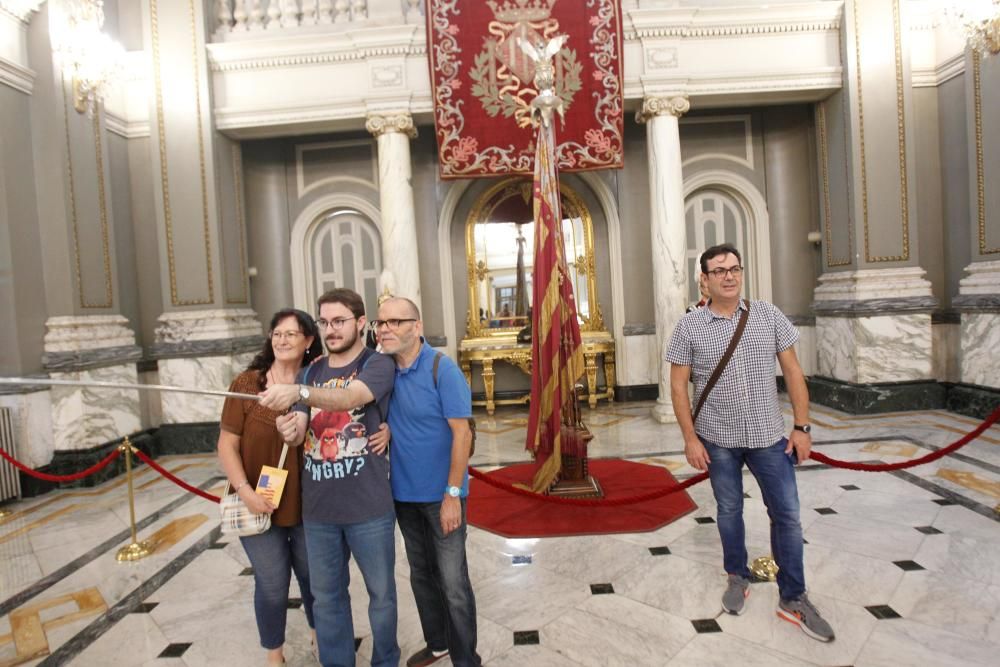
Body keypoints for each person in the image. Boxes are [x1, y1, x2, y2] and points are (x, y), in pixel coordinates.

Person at [665, 243, 835, 643]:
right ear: (704, 279)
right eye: (719, 270)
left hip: (767, 437)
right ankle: (736, 576)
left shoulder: (768, 315)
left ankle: (793, 597)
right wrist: (690, 438)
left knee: (788, 516)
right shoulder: (689, 326)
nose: (729, 276)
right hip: (718, 438)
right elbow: (677, 387)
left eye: (734, 268)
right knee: (729, 510)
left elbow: (793, 372)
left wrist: (803, 428)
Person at [259, 288, 399, 667]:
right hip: (319, 511)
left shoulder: (378, 364)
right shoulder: (311, 371)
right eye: (324, 322)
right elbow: (301, 426)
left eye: (339, 321)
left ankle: (385, 661)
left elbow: (352, 397)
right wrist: (289, 427)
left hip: (369, 506)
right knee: (327, 598)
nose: (331, 330)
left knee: (382, 595)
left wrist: (299, 390)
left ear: (360, 322)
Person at [375, 297, 481, 667]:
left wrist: (453, 494)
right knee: (422, 575)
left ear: (416, 327)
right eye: (381, 323)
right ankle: (438, 644)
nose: (385, 328)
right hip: (403, 495)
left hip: (442, 497)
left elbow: (462, 435)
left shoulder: (442, 368)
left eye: (395, 322)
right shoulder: (384, 372)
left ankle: (466, 660)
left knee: (453, 583)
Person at [217, 308, 323, 665]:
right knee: (273, 583)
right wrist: (246, 492)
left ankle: (317, 634)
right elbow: (226, 444)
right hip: (258, 502)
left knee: (314, 579)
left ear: (308, 341)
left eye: (291, 334)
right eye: (277, 333)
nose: (282, 339)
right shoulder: (248, 384)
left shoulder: (318, 382)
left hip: (311, 504)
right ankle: (274, 654)